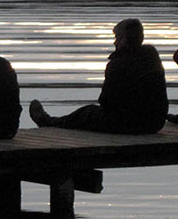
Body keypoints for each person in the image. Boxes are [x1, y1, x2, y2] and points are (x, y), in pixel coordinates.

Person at [29, 17, 167, 134]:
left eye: (117, 37)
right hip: (155, 123)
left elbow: (106, 101)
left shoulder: (118, 64)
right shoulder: (152, 56)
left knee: (86, 113)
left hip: (130, 125)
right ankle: (51, 121)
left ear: (124, 39)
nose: (114, 42)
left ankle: (47, 122)